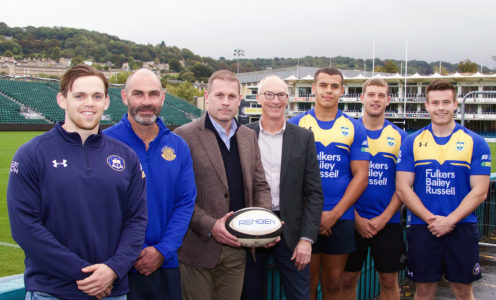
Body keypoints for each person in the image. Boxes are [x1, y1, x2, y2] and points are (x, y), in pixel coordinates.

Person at [7, 65, 148, 300]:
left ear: (106, 102)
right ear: (62, 100)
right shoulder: (32, 154)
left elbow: (137, 220)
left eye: (97, 96)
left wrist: (113, 269)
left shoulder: (126, 157)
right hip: (52, 291)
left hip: (112, 291)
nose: (89, 103)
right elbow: (25, 227)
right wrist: (83, 274)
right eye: (79, 95)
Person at [174, 70, 272, 300]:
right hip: (198, 250)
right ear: (207, 96)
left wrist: (265, 224)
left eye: (231, 96)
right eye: (219, 95)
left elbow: (260, 186)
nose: (225, 102)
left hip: (238, 249)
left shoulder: (248, 136)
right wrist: (210, 225)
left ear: (239, 99)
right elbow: (178, 196)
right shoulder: (184, 136)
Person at [104, 69, 196, 300]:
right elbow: (101, 209)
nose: (146, 102)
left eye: (153, 94)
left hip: (166, 264)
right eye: (138, 94)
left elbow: (185, 203)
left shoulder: (178, 146)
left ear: (162, 98)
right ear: (125, 97)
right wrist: (132, 251)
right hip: (119, 267)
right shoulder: (104, 143)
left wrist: (163, 250)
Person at [396, 79, 491, 300]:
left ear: (455, 104)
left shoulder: (475, 142)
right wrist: (431, 219)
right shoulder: (412, 142)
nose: (441, 108)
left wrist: (450, 220)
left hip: (462, 227)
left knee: (463, 290)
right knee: (424, 291)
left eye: (446, 102)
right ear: (427, 105)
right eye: (435, 102)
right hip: (423, 226)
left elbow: (480, 191)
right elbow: (403, 187)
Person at [289, 67, 370, 300]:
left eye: (334, 86)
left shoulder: (355, 127)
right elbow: (289, 176)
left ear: (342, 91)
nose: (328, 91)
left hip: (341, 216)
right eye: (323, 85)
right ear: (313, 88)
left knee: (334, 284)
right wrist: (313, 214)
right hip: (304, 217)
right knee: (307, 284)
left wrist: (334, 213)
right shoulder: (295, 125)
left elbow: (361, 176)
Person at [241, 76, 323, 300]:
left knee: (300, 296)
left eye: (281, 95)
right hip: (252, 229)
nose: (275, 100)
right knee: (251, 295)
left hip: (293, 234)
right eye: (269, 94)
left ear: (287, 99)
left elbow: (314, 193)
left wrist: (307, 239)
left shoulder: (304, 138)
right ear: (258, 98)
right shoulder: (243, 135)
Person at [341, 78, 406, 300]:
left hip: (388, 222)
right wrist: (356, 218)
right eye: (371, 94)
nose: (376, 99)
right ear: (362, 98)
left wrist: (385, 218)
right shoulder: (347, 132)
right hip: (351, 219)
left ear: (388, 100)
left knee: (389, 281)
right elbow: (341, 180)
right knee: (347, 279)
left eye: (381, 95)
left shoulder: (400, 137)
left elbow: (403, 186)